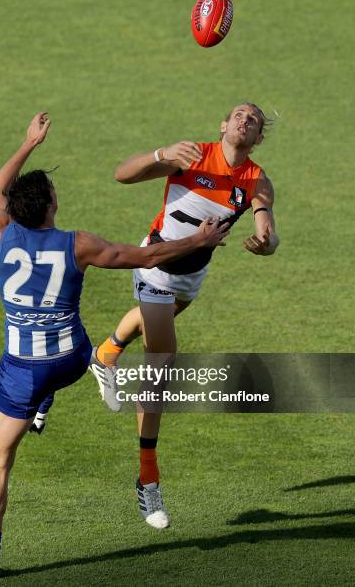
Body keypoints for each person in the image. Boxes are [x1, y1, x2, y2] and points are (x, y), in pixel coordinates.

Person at [0, 112, 230, 578]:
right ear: (51, 205)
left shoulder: (0, 236)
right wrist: (199, 240)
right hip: (72, 358)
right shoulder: (77, 244)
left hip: (22, 369)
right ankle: (95, 365)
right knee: (92, 346)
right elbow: (147, 255)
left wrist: (27, 145)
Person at [88, 103, 280, 530]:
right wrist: (160, 155)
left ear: (258, 137)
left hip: (192, 276)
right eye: (238, 114)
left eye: (253, 119)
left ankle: (104, 355)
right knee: (161, 363)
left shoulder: (256, 180)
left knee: (158, 320)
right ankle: (148, 480)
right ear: (223, 125)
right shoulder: (190, 156)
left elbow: (267, 221)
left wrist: (267, 240)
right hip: (155, 265)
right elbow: (122, 174)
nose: (244, 120)